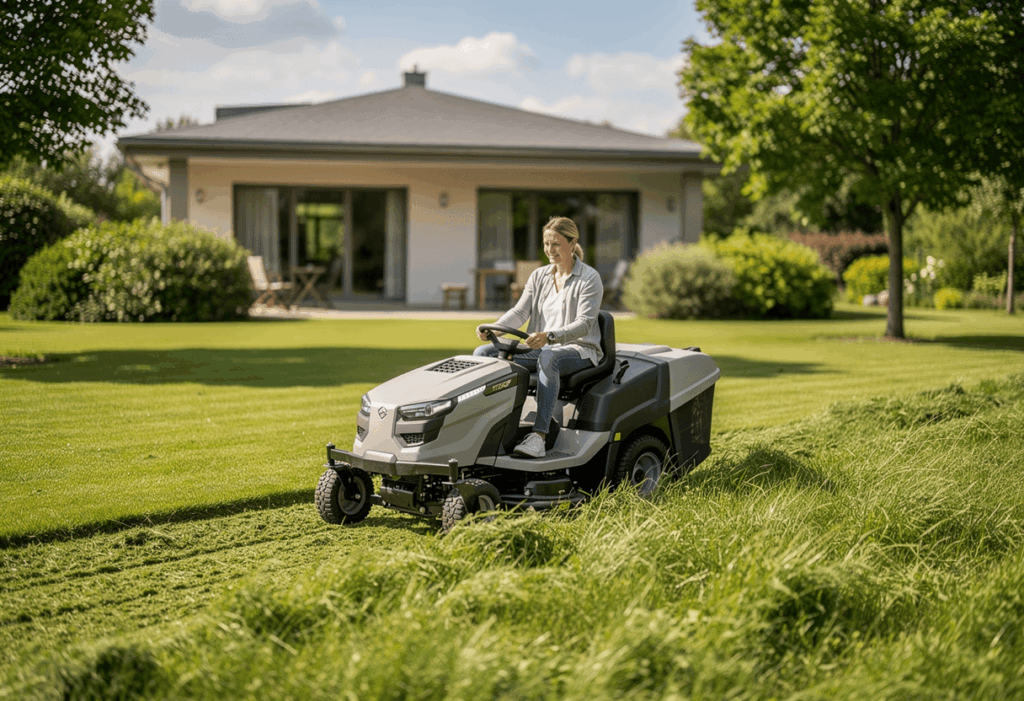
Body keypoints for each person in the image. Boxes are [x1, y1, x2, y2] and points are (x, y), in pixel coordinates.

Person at [473, 216, 604, 458]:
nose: (549, 250)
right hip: (542, 347)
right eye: (546, 244)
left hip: (579, 350)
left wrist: (550, 337)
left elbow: (585, 324)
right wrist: (494, 329)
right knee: (484, 354)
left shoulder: (589, 278)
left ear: (573, 242)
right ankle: (489, 424)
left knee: (549, 358)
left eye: (556, 244)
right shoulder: (540, 276)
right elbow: (520, 312)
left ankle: (539, 437)